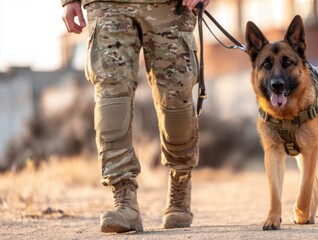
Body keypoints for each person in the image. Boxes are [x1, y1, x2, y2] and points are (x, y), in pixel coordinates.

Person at [61, 0, 210, 233]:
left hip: (170, 7)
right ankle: (124, 200)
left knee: (176, 99)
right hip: (106, 5)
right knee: (111, 98)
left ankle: (180, 183)